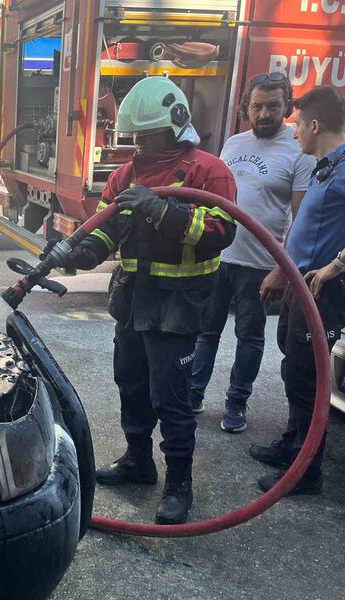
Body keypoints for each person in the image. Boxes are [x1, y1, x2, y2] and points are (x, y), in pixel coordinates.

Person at [56, 77, 237, 524]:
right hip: (134, 301)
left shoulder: (208, 171)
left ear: (176, 125)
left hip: (180, 303)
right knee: (131, 385)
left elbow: (221, 232)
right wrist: (81, 252)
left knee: (171, 398)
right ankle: (139, 461)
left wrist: (163, 209)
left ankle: (179, 484)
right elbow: (106, 227)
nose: (141, 145)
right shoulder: (126, 174)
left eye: (149, 135)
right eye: (135, 137)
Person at [188, 72, 316, 433]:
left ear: (286, 107)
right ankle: (193, 394)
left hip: (260, 264)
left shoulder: (297, 150)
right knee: (205, 332)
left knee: (250, 337)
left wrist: (282, 268)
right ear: (247, 107)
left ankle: (235, 404)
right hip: (219, 257)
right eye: (257, 106)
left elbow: (301, 215)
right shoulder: (233, 143)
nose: (264, 114)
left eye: (273, 106)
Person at [252, 86, 345, 495]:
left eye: (296, 125)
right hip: (300, 287)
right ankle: (293, 446)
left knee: (310, 379)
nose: (293, 135)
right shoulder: (327, 167)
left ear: (315, 123)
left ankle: (306, 473)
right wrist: (281, 272)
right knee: (294, 370)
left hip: (323, 294)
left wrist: (336, 265)